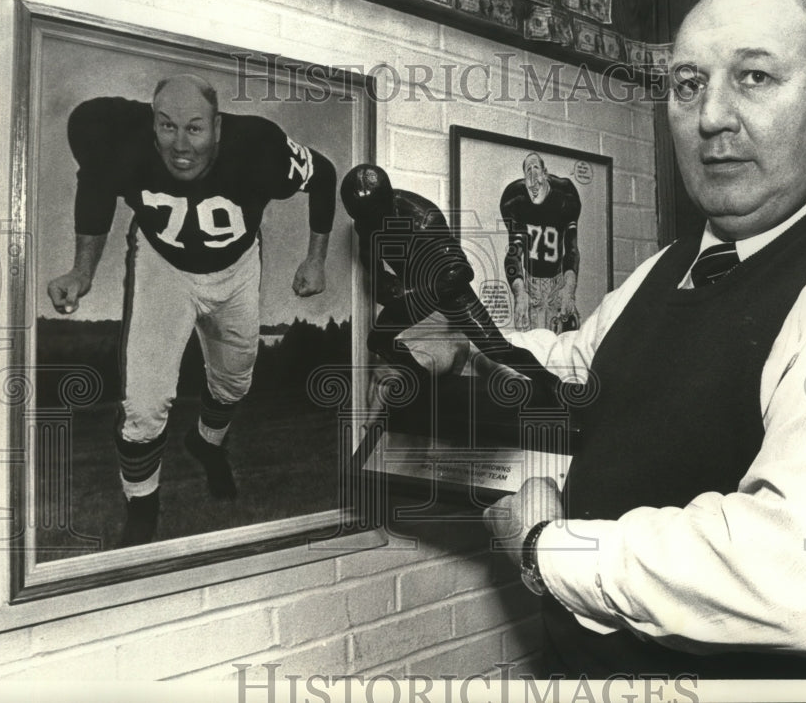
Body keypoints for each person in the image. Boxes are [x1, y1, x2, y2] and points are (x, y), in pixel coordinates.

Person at [483, 0, 806, 679]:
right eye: (688, 85)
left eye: (754, 76)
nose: (712, 117)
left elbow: (802, 578)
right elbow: (577, 361)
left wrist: (544, 549)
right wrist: (467, 344)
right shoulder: (672, 264)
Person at [47, 74, 337, 546]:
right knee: (143, 403)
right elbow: (96, 192)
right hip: (163, 265)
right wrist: (82, 272)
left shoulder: (260, 146)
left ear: (218, 127)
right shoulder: (116, 134)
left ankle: (206, 443)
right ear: (151, 122)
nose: (180, 144)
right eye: (166, 126)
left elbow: (323, 176)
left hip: (237, 266)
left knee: (235, 380)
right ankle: (143, 508)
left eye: (194, 128)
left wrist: (316, 257)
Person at [339, 164, 557, 395]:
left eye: (371, 218)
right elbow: (369, 258)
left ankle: (552, 382)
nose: (366, 225)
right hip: (412, 291)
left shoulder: (424, 219)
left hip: (449, 288)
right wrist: (384, 283)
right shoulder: (366, 219)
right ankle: (420, 380)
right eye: (360, 219)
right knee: (378, 341)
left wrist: (414, 294)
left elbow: (462, 272)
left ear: (385, 206)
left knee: (497, 349)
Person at [500, 153, 582, 333]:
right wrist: (520, 293)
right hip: (531, 284)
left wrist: (569, 289)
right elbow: (514, 254)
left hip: (557, 283)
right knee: (532, 347)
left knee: (563, 342)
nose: (532, 175)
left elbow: (571, 249)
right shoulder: (516, 200)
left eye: (535, 167)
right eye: (527, 169)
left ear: (545, 173)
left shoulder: (565, 196)